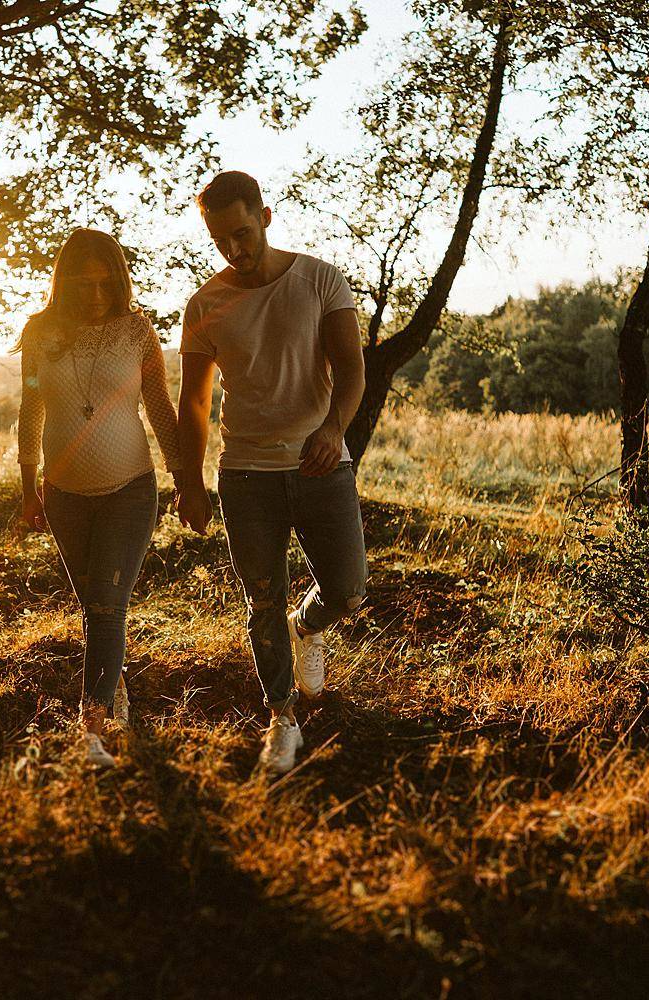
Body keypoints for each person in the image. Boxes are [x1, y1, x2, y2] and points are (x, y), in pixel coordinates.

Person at [175, 171, 368, 775]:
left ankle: (309, 626)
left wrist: (334, 428)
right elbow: (195, 405)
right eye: (220, 239)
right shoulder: (205, 305)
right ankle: (281, 719)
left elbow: (352, 371)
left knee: (348, 588)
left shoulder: (318, 280)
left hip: (320, 464)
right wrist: (189, 483)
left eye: (241, 232)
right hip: (247, 475)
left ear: (264, 215)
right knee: (262, 598)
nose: (234, 248)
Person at [17, 228, 183, 769]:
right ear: (62, 283)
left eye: (104, 281)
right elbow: (32, 410)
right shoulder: (41, 334)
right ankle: (115, 691)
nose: (94, 294)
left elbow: (159, 406)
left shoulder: (137, 331)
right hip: (64, 495)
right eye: (81, 283)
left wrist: (186, 476)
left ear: (118, 281)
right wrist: (28, 487)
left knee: (108, 607)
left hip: (129, 489)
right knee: (96, 608)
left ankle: (91, 732)